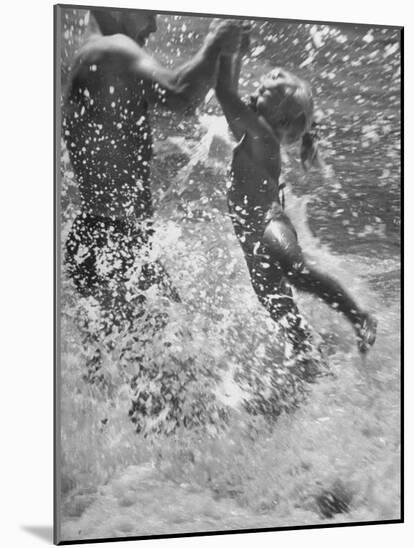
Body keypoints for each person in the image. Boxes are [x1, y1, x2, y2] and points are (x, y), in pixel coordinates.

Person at [63, 9, 243, 319]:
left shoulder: (93, 52)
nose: (155, 26)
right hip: (113, 241)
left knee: (123, 361)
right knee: (161, 358)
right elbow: (182, 95)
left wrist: (226, 55)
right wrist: (216, 40)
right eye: (149, 12)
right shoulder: (113, 50)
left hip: (105, 237)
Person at [214, 31, 377, 355]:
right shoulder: (253, 133)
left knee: (297, 272)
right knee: (282, 312)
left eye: (262, 94)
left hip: (268, 224)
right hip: (253, 243)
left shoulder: (260, 135)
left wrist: (228, 49)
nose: (253, 92)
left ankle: (358, 316)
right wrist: (235, 54)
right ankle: (309, 358)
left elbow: (223, 92)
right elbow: (228, 96)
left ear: (279, 118)